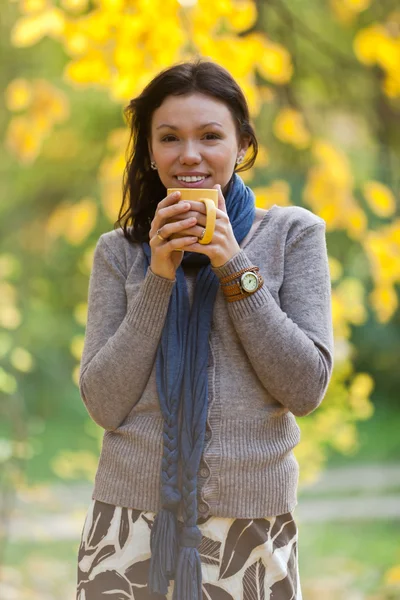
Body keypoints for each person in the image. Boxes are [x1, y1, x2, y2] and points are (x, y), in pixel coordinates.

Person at [76, 57, 334, 600]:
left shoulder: (294, 234)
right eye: (169, 138)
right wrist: (159, 278)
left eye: (210, 136)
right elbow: (103, 402)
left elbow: (305, 388)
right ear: (150, 150)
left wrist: (234, 265)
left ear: (242, 143)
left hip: (249, 527)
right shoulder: (120, 253)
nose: (188, 155)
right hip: (127, 527)